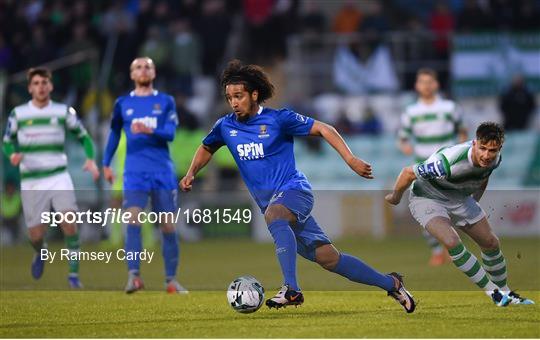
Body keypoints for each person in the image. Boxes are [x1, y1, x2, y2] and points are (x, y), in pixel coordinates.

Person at [180, 60, 415, 312]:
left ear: (254, 94)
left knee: (274, 215)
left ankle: (291, 289)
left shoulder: (279, 119)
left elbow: (325, 129)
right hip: (273, 204)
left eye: (239, 96)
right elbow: (207, 147)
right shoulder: (225, 126)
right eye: (229, 98)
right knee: (329, 258)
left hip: (295, 190)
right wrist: (191, 172)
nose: (234, 102)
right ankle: (391, 283)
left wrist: (350, 159)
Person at [386, 122, 534, 306]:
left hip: (459, 198)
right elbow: (407, 173)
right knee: (451, 241)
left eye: (492, 150)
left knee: (491, 243)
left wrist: (474, 202)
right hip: (427, 198)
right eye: (483, 148)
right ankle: (493, 293)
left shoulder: (495, 160)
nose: (487, 155)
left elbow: (483, 177)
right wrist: (395, 197)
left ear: (499, 148)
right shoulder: (448, 161)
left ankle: (506, 293)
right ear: (474, 143)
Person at [2, 67, 99, 288]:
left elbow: (84, 137)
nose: (41, 87)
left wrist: (91, 159)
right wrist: (13, 154)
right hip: (32, 179)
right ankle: (41, 250)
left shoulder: (63, 111)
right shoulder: (18, 114)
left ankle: (73, 276)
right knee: (35, 234)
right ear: (29, 88)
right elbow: (7, 141)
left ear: (51, 86)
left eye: (44, 83)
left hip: (58, 176)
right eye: (36, 83)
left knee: (70, 224)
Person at [102, 57, 187, 294]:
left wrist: (149, 129)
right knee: (132, 219)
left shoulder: (165, 101)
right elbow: (113, 135)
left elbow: (170, 133)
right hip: (134, 172)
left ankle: (171, 280)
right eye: (138, 67)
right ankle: (134, 276)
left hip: (162, 171)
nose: (143, 70)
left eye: (147, 66)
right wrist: (106, 164)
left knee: (168, 226)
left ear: (154, 72)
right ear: (131, 74)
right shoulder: (122, 103)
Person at [399, 68, 468, 266]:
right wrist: (405, 147)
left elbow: (463, 131)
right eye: (422, 82)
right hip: (424, 168)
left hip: (448, 166)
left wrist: (459, 151)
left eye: (430, 82)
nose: (426, 86)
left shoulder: (449, 107)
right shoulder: (411, 112)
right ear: (417, 86)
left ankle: (454, 246)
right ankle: (437, 251)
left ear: (436, 84)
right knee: (425, 209)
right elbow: (403, 138)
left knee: (456, 208)